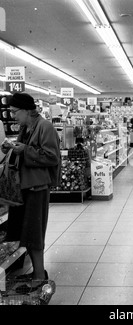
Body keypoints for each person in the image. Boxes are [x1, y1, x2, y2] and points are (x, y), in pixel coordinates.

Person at [1, 93, 61, 294]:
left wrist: (24, 150)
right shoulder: (26, 128)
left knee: (34, 232)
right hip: (25, 187)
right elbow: (25, 151)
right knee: (27, 232)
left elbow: (52, 157)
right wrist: (11, 147)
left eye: (15, 112)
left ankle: (38, 276)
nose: (13, 116)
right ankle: (37, 272)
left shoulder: (45, 127)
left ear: (27, 110)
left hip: (37, 188)